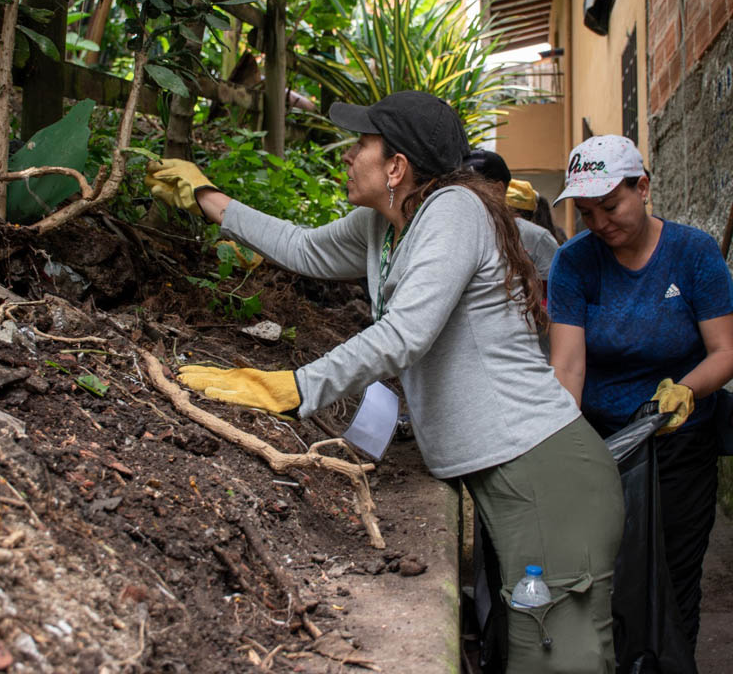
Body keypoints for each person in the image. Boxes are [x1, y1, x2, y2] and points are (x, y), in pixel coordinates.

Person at [147, 91, 624, 674]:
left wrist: (294, 388)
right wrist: (208, 198)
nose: (348, 157)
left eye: (361, 145)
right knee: (533, 648)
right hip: (515, 475)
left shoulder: (455, 211)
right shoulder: (386, 224)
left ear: (396, 166)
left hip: (547, 475)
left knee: (558, 659)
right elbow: (302, 246)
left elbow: (405, 334)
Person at [546, 135, 733, 653]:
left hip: (679, 441)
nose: (600, 223)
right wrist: (559, 442)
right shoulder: (573, 264)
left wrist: (683, 390)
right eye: (587, 213)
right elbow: (568, 366)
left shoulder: (692, 253)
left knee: (674, 576)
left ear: (644, 187)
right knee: (604, 569)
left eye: (611, 206)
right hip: (603, 444)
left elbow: (725, 352)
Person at [464, 150, 559, 286]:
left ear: (498, 189)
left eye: (473, 189)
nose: (463, 197)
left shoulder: (534, 236)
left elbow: (553, 292)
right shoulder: (458, 232)